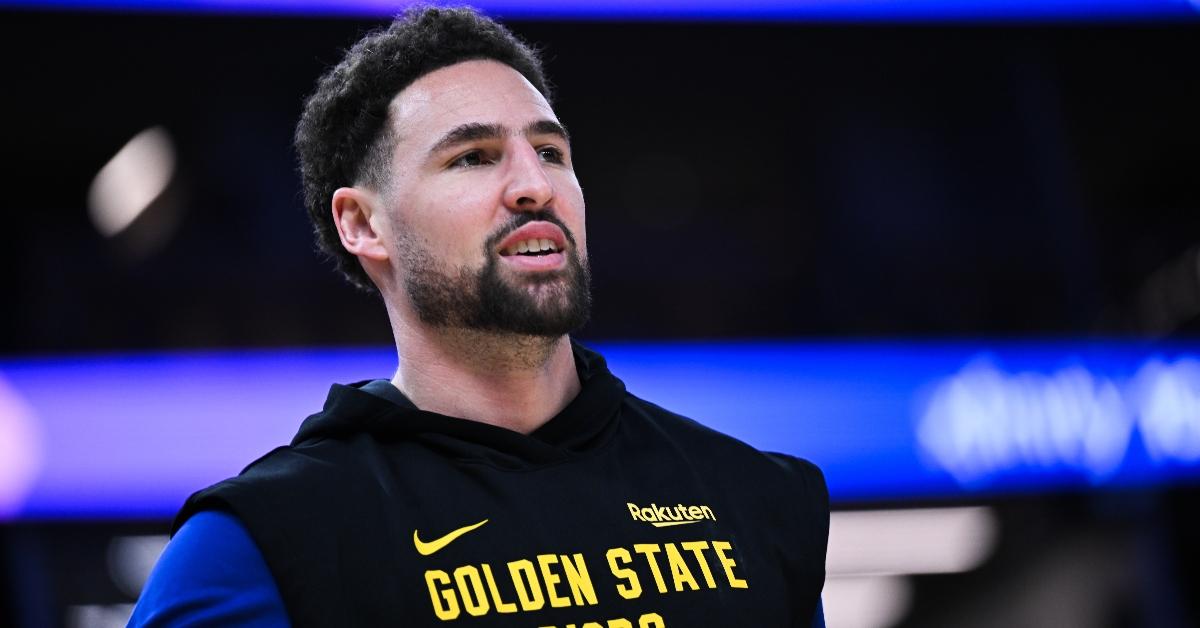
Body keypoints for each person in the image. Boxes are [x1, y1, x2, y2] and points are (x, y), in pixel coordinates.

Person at [130, 6, 828, 627]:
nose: (534, 186)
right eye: (473, 157)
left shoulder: (758, 500)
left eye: (550, 152)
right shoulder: (256, 548)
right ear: (363, 225)